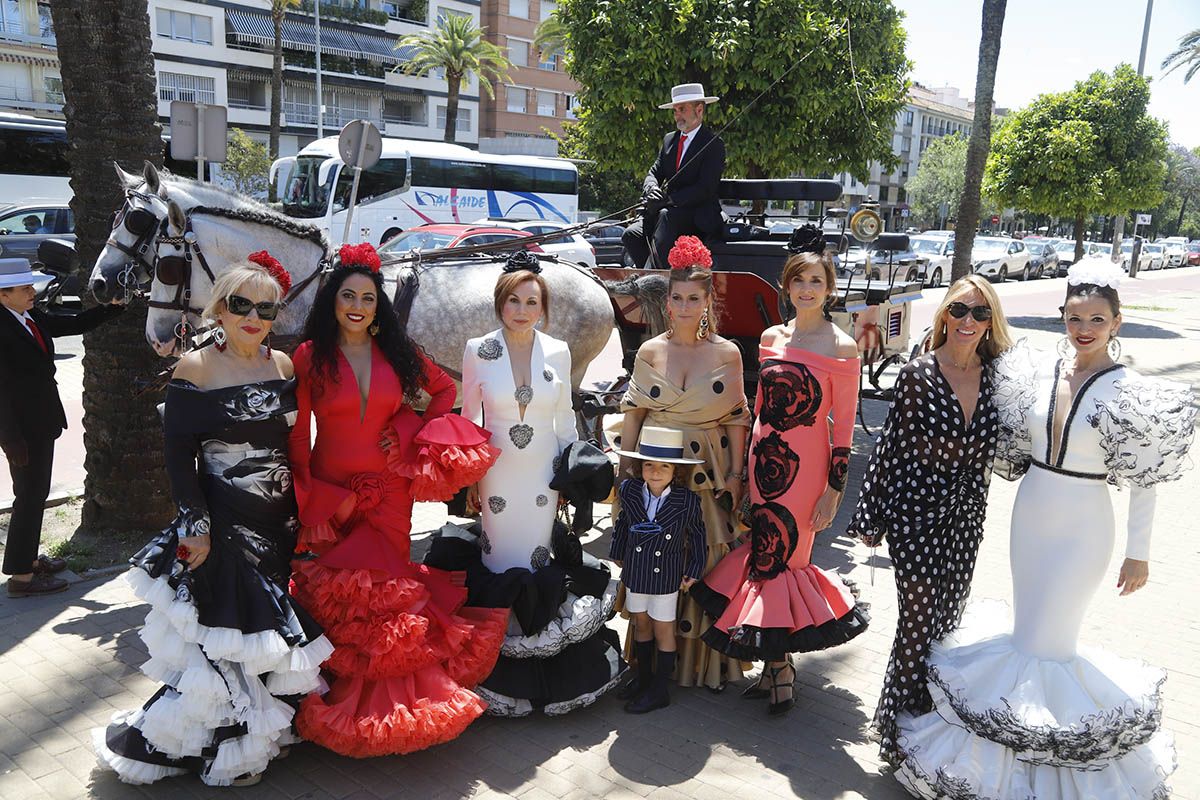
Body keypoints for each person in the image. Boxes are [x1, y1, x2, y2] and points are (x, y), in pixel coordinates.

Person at [890, 259, 1194, 798]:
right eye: (1075, 317)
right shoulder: (1033, 372)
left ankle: (1045, 775)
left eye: (1097, 319)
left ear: (1116, 323)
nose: (1084, 329)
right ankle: (989, 770)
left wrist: (1138, 552)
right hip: (1028, 516)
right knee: (1024, 636)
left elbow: (1145, 478)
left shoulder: (1132, 392)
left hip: (1085, 528)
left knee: (1050, 644)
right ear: (1062, 318)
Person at [94, 254, 333, 786]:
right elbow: (179, 457)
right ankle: (221, 746)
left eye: (265, 308)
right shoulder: (195, 368)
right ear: (220, 310)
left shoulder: (285, 366)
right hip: (221, 523)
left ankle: (260, 728)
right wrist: (193, 526)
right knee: (227, 630)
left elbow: (293, 446)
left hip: (276, 522)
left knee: (261, 633)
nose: (253, 316)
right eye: (240, 305)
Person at [287, 243, 507, 757]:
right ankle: (335, 699)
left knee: (390, 596)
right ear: (332, 301)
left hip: (390, 490)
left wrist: (406, 429)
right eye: (348, 295)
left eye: (367, 296)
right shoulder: (308, 357)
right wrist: (305, 498)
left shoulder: (397, 349)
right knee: (337, 595)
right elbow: (298, 436)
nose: (358, 305)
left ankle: (389, 709)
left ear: (377, 304)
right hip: (332, 493)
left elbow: (442, 393)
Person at [425, 251, 625, 716]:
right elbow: (470, 419)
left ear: (543, 309)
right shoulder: (478, 349)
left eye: (531, 302)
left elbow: (564, 423)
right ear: (500, 304)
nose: (522, 310)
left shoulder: (557, 350)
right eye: (513, 300)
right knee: (496, 558)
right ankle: (495, 662)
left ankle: (539, 659)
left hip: (541, 477)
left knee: (538, 555)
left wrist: (570, 475)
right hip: (494, 474)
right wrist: (469, 476)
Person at [691, 228, 871, 715]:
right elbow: (760, 408)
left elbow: (845, 426)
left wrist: (835, 488)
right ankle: (776, 664)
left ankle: (781, 668)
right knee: (761, 557)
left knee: (786, 561)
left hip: (806, 472)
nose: (807, 289)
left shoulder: (842, 347)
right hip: (762, 464)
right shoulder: (771, 339)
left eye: (816, 280)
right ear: (787, 287)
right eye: (799, 281)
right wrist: (745, 469)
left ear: (830, 288)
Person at [846, 274, 1013, 765]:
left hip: (966, 514)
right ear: (944, 315)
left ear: (991, 322)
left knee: (946, 621)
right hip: (916, 514)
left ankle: (933, 726)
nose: (969, 321)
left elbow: (1016, 444)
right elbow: (891, 448)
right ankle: (898, 727)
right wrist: (870, 517)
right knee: (917, 623)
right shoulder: (918, 373)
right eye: (959, 310)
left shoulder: (1000, 377)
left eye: (980, 313)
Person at [617, 235, 751, 691]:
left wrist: (735, 477)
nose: (685, 306)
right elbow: (633, 413)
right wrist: (626, 473)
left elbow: (736, 420)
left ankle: (696, 665)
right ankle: (649, 670)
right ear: (667, 300)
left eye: (694, 298)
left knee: (701, 558)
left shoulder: (727, 352)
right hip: (653, 467)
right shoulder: (650, 350)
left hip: (707, 469)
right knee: (651, 557)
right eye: (677, 298)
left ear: (708, 299)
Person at [0, 257, 123, 597]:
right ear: (2, 295)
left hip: (41, 423)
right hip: (22, 432)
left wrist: (110, 309)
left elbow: (72, 324)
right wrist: (10, 440)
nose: (32, 291)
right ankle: (22, 579)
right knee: (29, 496)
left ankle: (25, 561)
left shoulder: (28, 317)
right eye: (24, 288)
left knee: (33, 494)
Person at [609, 426, 707, 714]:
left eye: (664, 466)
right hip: (637, 570)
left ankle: (659, 690)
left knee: (664, 629)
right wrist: (616, 552)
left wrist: (695, 568)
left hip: (666, 574)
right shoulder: (629, 490)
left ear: (674, 470)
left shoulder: (686, 499)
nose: (655, 472)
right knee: (640, 624)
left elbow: (698, 535)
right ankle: (643, 680)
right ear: (641, 467)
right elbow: (623, 523)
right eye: (649, 465)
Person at [621, 83, 726, 269]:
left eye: (682, 109)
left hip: (697, 216)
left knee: (665, 216)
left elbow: (705, 189)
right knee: (631, 235)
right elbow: (654, 172)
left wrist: (668, 200)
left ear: (699, 110)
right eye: (675, 110)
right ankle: (655, 278)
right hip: (666, 214)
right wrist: (652, 188)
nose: (677, 115)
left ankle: (654, 278)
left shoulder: (714, 144)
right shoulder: (670, 140)